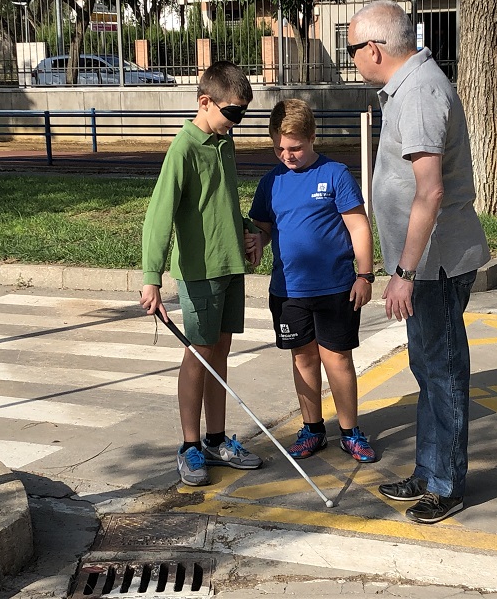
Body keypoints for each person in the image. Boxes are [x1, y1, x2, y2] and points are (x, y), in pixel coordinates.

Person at [348, 2, 490, 523]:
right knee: (429, 369)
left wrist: (403, 273)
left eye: (351, 51)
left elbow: (429, 193)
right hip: (424, 265)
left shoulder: (422, 93)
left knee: (444, 371)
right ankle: (430, 471)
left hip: (436, 265)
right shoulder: (409, 89)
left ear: (375, 50)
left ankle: (446, 484)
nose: (353, 62)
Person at [140, 61, 264, 487]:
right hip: (201, 272)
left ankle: (216, 439)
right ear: (204, 102)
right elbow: (159, 215)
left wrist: (250, 233)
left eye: (242, 115)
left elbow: (225, 202)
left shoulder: (222, 144)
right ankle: (190, 445)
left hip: (230, 266)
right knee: (199, 354)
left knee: (220, 352)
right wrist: (151, 276)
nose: (236, 122)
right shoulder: (185, 149)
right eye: (232, 113)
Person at [249, 98, 377, 463]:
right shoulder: (271, 181)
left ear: (312, 137)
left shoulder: (335, 174)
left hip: (336, 287)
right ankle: (313, 428)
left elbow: (358, 226)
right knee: (303, 359)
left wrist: (365, 275)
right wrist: (258, 239)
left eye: (295, 148)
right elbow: (264, 227)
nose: (287, 155)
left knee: (336, 359)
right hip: (288, 291)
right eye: (279, 148)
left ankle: (350, 431)